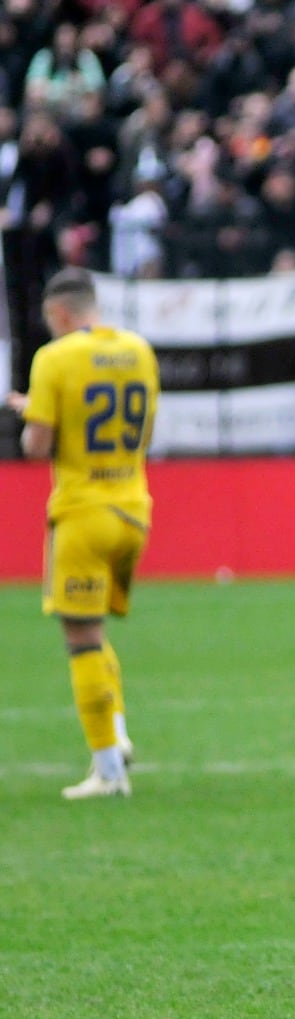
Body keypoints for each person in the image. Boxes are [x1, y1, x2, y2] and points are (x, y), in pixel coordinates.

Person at [6, 268, 160, 800]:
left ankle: (109, 773)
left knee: (80, 639)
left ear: (62, 315)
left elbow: (37, 446)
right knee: (95, 634)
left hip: (83, 513)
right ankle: (116, 735)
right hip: (134, 509)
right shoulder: (139, 350)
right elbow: (141, 429)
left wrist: (33, 415)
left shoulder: (54, 359)